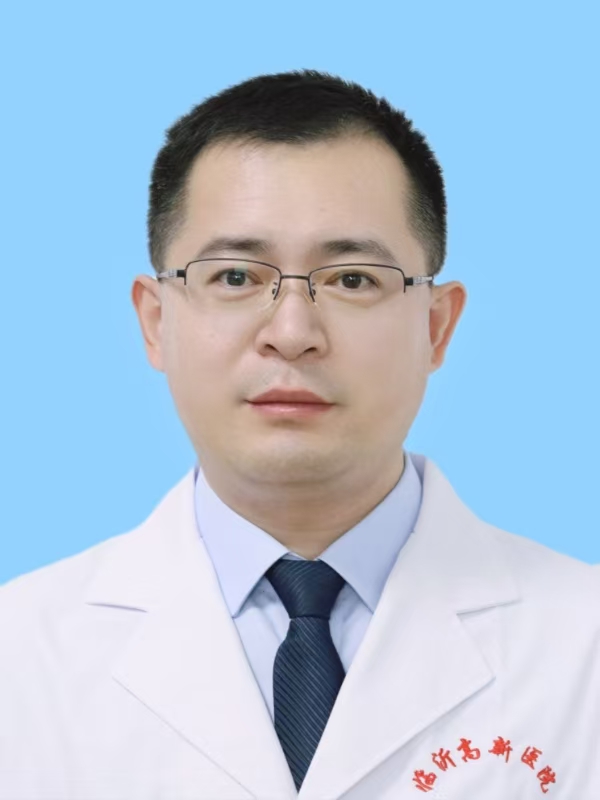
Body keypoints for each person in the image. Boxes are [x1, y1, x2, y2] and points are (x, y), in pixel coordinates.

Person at [1, 70, 599, 800]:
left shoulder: (584, 647)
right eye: (235, 277)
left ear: (437, 327)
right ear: (156, 322)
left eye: (352, 280)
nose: (291, 333)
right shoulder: (19, 655)